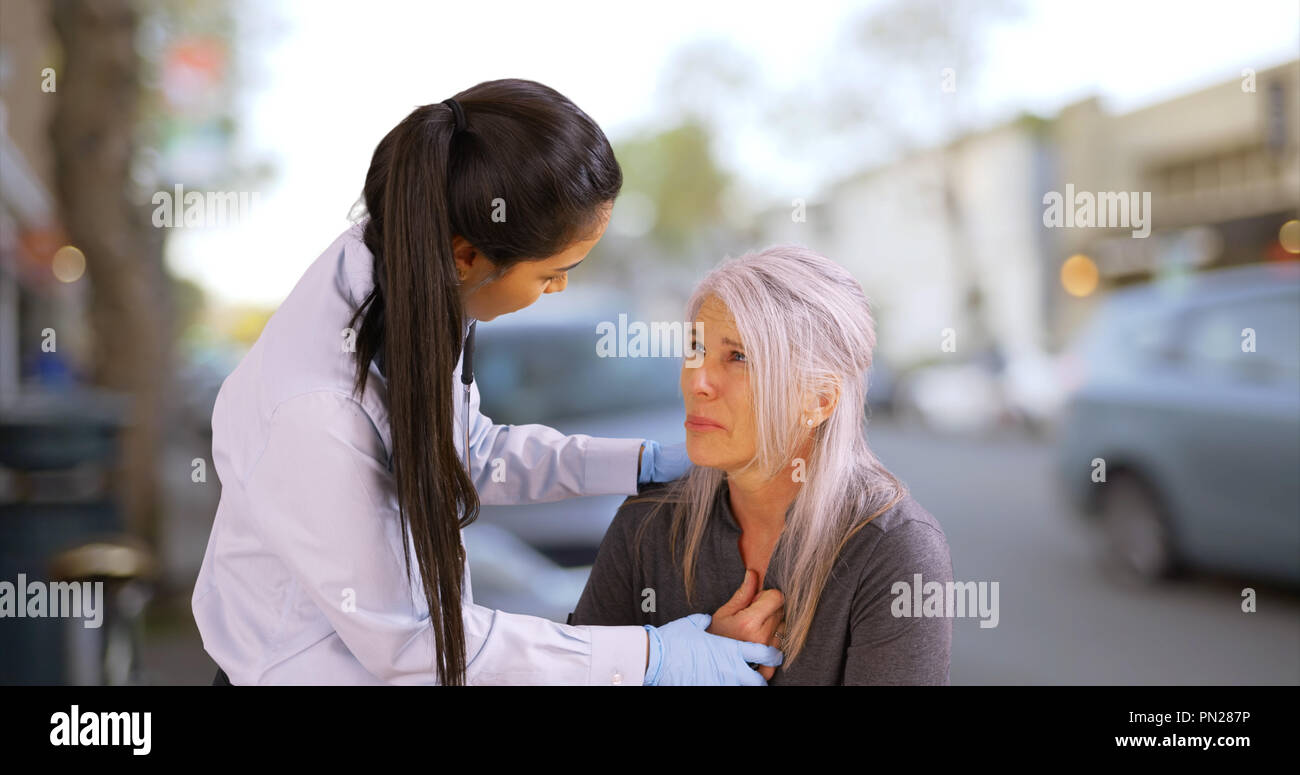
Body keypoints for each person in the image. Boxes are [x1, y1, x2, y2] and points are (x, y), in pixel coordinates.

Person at [191, 79, 784, 686]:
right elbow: (415, 643)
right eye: (555, 272)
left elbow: (467, 453)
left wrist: (638, 462)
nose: (561, 290)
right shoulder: (319, 412)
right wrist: (652, 659)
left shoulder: (414, 270)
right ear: (467, 255)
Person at [571, 245, 954, 684]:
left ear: (819, 399)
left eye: (739, 357)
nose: (698, 381)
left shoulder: (893, 550)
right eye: (696, 348)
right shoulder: (647, 522)